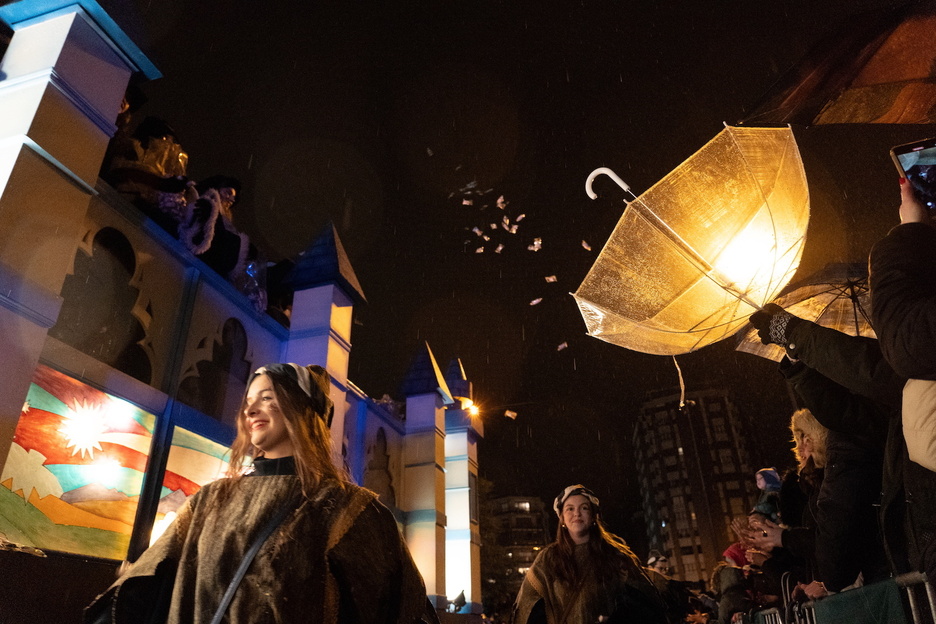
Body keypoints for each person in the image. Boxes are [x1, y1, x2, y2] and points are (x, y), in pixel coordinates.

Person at [85, 362, 439, 624]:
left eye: (267, 398)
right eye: (249, 401)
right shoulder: (208, 501)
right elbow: (139, 590)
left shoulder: (348, 510)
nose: (250, 410)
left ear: (304, 410)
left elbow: (402, 609)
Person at [511, 484, 668, 624]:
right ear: (562, 518)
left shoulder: (615, 555)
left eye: (584, 508)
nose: (577, 513)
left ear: (594, 516)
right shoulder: (547, 558)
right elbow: (527, 607)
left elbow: (646, 599)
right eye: (570, 508)